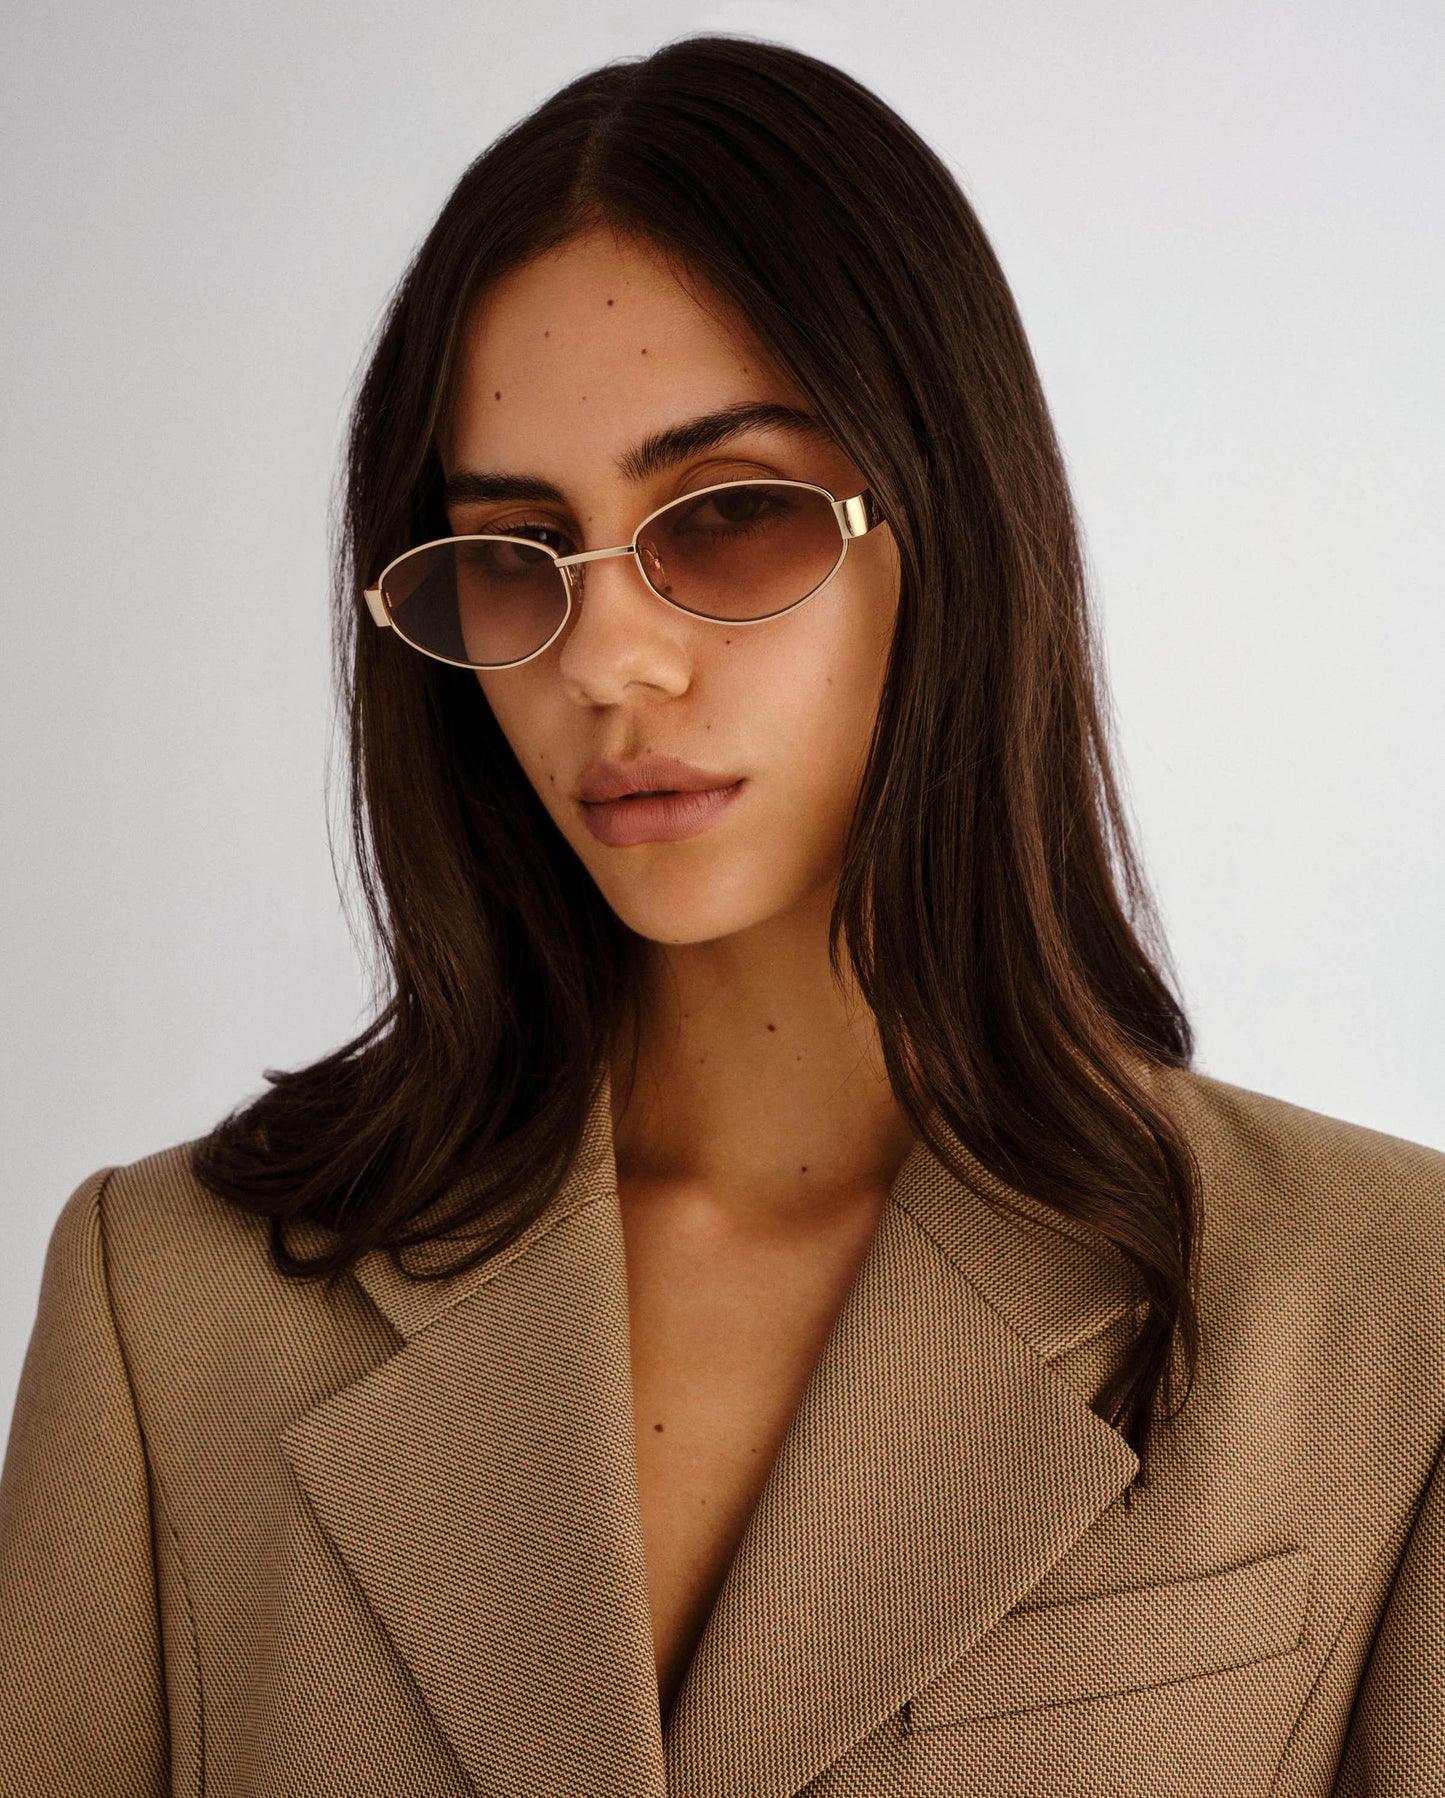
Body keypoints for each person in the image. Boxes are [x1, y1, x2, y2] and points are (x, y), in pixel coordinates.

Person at [1, 34, 1440, 1798]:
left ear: (953, 526)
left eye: (734, 515)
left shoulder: (1390, 1318)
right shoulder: (176, 1305)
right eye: (513, 549)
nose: (607, 659)